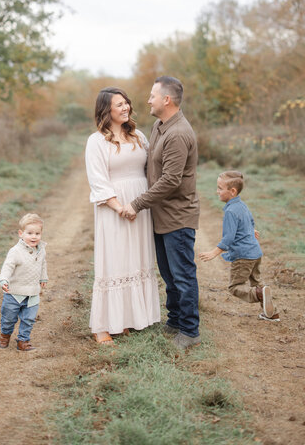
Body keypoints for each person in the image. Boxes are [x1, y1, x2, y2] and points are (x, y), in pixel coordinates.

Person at [122, 76, 201, 350]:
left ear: (166, 100)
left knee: (182, 275)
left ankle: (190, 331)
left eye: (152, 95)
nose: (148, 100)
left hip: (178, 216)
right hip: (161, 215)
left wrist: (136, 203)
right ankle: (175, 320)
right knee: (168, 274)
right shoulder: (159, 126)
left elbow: (170, 180)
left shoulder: (179, 133)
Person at [85, 87, 160, 345]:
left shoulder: (138, 136)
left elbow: (152, 169)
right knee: (114, 260)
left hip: (140, 205)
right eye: (119, 105)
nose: (126, 107)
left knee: (136, 258)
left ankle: (127, 319)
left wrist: (141, 204)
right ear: (107, 110)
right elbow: (98, 180)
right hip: (114, 208)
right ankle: (103, 326)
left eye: (126, 102)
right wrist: (120, 207)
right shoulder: (96, 141)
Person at [199, 171, 279, 321]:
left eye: (220, 188)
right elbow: (250, 222)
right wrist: (251, 231)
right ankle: (272, 313)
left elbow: (228, 238)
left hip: (243, 256)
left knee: (235, 287)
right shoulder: (242, 205)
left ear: (232, 191)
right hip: (255, 252)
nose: (217, 191)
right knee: (257, 282)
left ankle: (259, 294)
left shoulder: (230, 211)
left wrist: (214, 252)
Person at [0, 213, 48, 351]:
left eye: (37, 233)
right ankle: (5, 335)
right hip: (14, 292)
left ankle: (23, 341)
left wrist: (43, 277)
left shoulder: (41, 250)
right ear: (21, 233)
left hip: (32, 292)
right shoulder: (15, 251)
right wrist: (4, 280)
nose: (34, 237)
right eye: (30, 233)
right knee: (9, 318)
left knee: (29, 318)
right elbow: (7, 266)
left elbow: (43, 264)